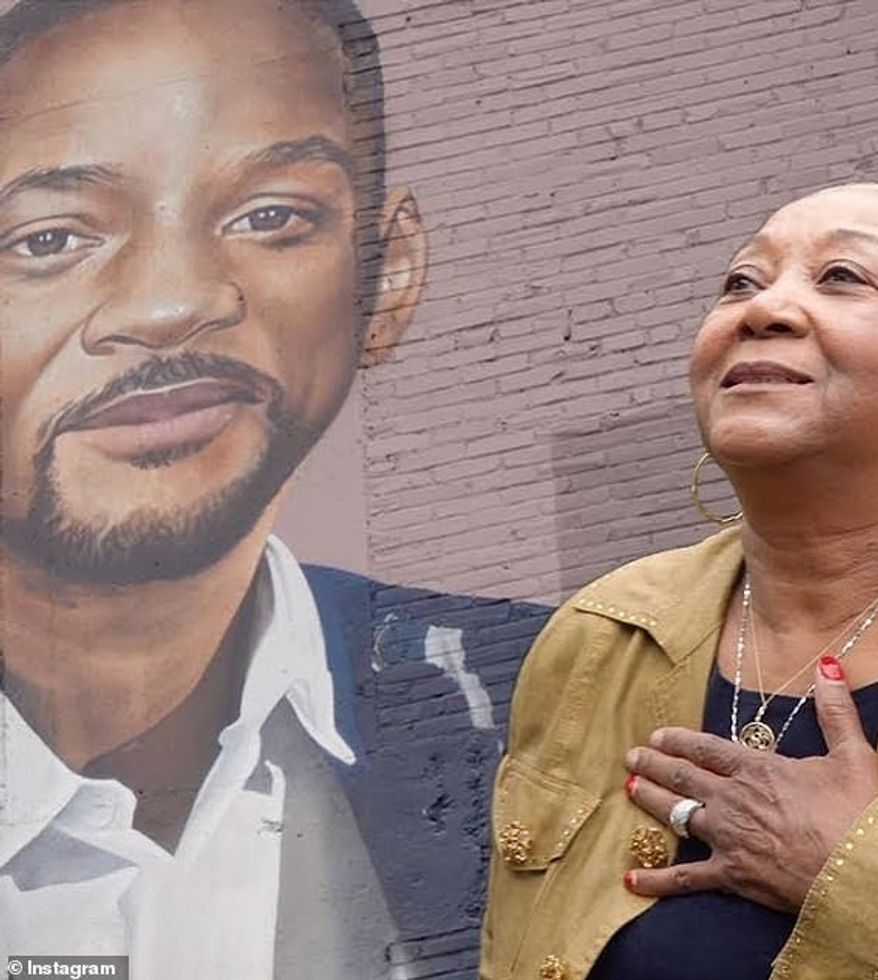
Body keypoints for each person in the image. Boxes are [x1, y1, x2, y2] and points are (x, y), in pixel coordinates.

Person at [0, 1, 548, 978]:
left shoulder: (564, 703)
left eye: (270, 216)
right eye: (50, 239)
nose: (174, 301)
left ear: (385, 277)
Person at [480, 182, 878, 980]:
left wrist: (860, 872)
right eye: (740, 282)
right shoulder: (600, 636)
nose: (763, 310)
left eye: (842, 277)